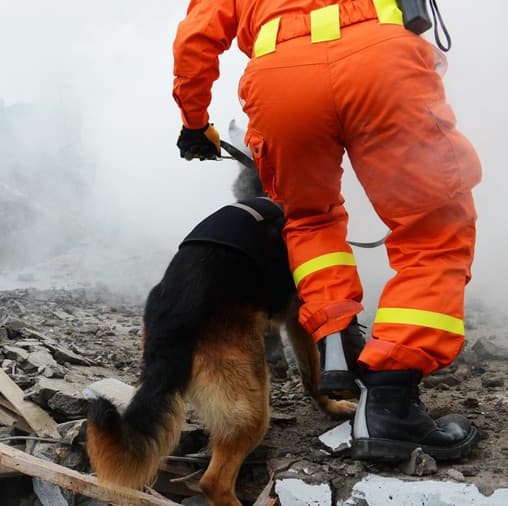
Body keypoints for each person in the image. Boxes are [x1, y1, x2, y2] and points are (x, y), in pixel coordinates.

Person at [173, 0, 481, 461]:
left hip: (281, 74)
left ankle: (336, 341)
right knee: (432, 232)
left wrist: (194, 122)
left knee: (309, 219)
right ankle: (391, 401)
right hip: (379, 59)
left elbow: (196, 38)